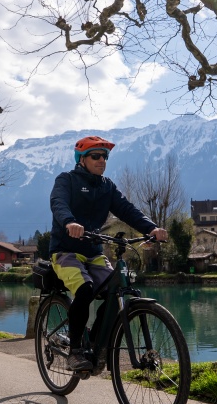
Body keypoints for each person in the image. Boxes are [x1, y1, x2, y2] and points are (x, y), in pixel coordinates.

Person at [49, 136, 168, 372]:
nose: (102, 160)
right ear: (81, 159)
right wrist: (70, 222)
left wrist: (151, 228)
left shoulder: (107, 186)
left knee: (116, 292)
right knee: (84, 289)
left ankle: (94, 341)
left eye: (105, 156)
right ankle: (74, 351)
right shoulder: (67, 180)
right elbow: (58, 204)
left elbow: (127, 210)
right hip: (66, 251)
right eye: (96, 156)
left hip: (93, 252)